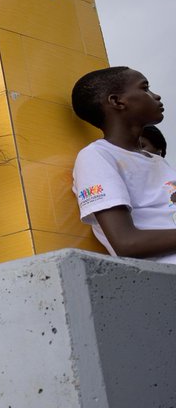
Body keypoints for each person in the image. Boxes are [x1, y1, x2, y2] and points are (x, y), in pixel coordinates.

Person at [71, 67, 176, 264]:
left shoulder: (158, 161)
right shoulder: (96, 156)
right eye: (145, 88)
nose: (156, 95)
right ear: (117, 101)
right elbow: (127, 244)